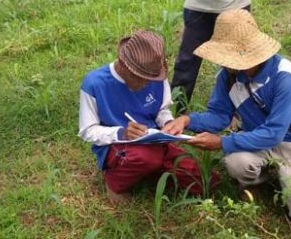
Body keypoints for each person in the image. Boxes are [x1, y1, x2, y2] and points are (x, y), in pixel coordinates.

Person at [164, 9, 291, 225]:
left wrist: (222, 142)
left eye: (227, 57)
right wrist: (187, 120)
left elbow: (274, 133)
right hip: (256, 141)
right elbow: (220, 116)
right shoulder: (228, 77)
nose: (223, 63)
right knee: (236, 163)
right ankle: (260, 180)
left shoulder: (284, 76)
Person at [78, 30, 215, 203]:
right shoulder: (94, 84)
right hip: (118, 146)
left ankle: (150, 172)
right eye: (141, 78)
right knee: (146, 158)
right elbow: (87, 130)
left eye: (151, 78)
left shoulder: (154, 73)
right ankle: (115, 182)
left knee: (204, 181)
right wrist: (121, 133)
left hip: (154, 141)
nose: (146, 84)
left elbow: (162, 109)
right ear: (123, 64)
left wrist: (168, 123)